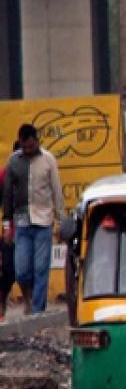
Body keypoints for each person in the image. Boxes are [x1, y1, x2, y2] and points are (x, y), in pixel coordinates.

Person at [3, 124, 64, 314]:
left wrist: (61, 221)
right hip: (21, 223)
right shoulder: (13, 161)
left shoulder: (48, 160)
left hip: (44, 221)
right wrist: (7, 224)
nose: (29, 150)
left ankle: (37, 311)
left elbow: (57, 190)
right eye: (25, 147)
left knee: (40, 269)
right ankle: (30, 300)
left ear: (37, 141)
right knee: (21, 270)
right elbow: (7, 195)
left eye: (32, 146)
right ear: (20, 143)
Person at [0, 143, 16, 322]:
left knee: (12, 270)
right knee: (6, 269)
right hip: (8, 228)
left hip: (18, 227)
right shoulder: (3, 176)